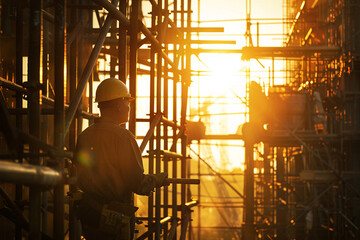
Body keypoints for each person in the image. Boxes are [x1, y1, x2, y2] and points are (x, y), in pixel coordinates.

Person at [75, 78, 167, 240]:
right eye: (127, 103)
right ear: (118, 105)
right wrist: (157, 179)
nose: (129, 108)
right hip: (113, 218)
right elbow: (137, 183)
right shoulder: (123, 137)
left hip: (89, 215)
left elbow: (79, 175)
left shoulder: (85, 136)